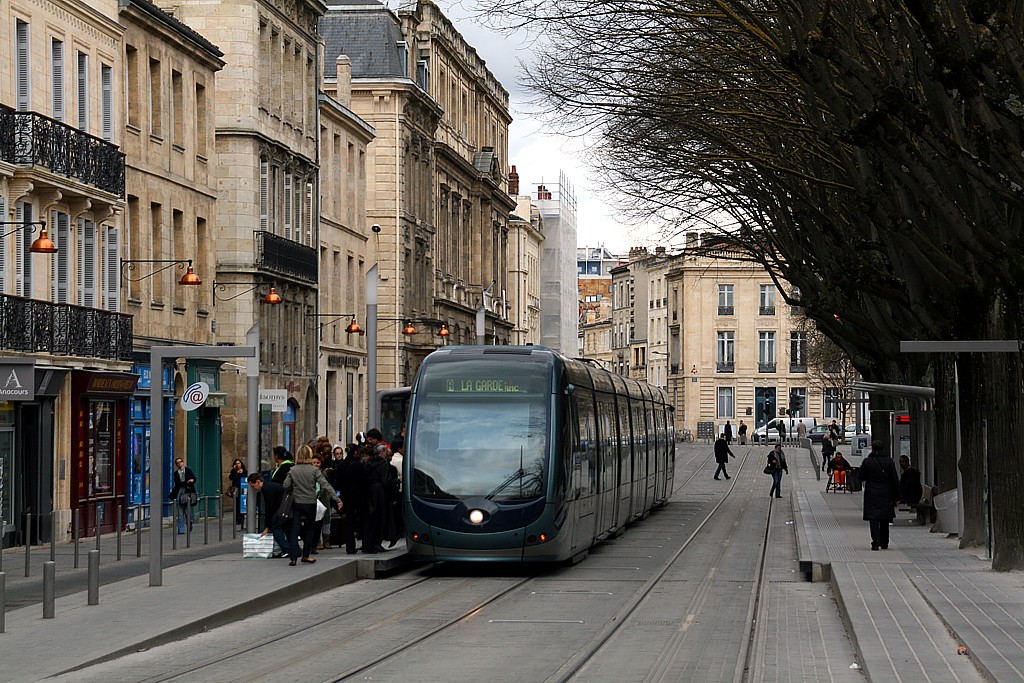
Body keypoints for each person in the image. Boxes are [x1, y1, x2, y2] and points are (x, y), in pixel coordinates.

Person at [282, 445, 342, 566]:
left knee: (295, 529)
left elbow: (286, 485)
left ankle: (293, 557)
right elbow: (325, 485)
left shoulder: (293, 470)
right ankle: (306, 555)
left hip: (297, 502)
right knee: (310, 529)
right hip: (310, 502)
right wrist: (337, 499)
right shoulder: (314, 470)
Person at [860, 440, 900, 550]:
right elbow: (894, 479)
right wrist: (897, 496)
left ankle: (875, 542)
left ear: (872, 448)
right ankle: (884, 542)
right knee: (884, 518)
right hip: (886, 493)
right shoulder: (889, 461)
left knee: (873, 518)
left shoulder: (867, 461)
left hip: (871, 493)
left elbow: (861, 477)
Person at [247, 472, 290, 558]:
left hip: (282, 509)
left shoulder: (267, 490)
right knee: (286, 528)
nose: (254, 488)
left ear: (258, 482)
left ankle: (287, 549)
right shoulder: (270, 486)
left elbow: (269, 508)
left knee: (274, 527)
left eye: (253, 486)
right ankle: (295, 549)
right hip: (286, 507)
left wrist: (267, 526)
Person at [168, 458, 197, 534]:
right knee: (180, 512)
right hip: (180, 493)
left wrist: (190, 481)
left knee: (188, 512)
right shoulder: (176, 473)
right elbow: (178, 483)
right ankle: (181, 530)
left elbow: (194, 479)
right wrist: (186, 482)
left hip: (188, 493)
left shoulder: (188, 470)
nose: (179, 464)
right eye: (177, 463)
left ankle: (189, 523)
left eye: (180, 462)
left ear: (183, 463)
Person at [227, 458, 247, 527]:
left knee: (241, 504)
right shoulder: (234, 471)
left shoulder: (244, 471)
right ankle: (237, 519)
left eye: (239, 463)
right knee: (236, 504)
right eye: (236, 463)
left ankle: (241, 518)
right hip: (236, 489)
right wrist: (236, 472)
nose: (237, 465)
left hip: (243, 488)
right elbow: (231, 478)